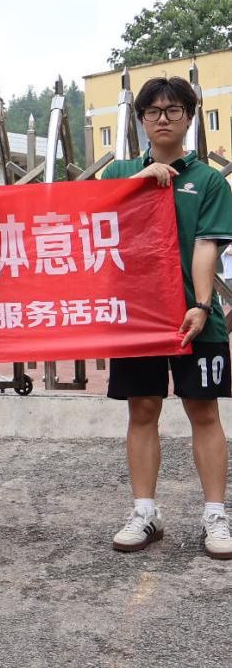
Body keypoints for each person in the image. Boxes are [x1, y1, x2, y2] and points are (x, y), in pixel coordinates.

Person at [100, 76, 232, 559]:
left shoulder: (209, 181)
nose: (163, 118)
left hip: (196, 317)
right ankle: (144, 512)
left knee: (204, 410)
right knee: (142, 409)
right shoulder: (119, 173)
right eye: (153, 111)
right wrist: (139, 181)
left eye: (174, 110)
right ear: (140, 120)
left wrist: (201, 305)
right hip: (137, 318)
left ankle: (215, 515)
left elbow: (206, 246)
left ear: (189, 118)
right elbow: (88, 216)